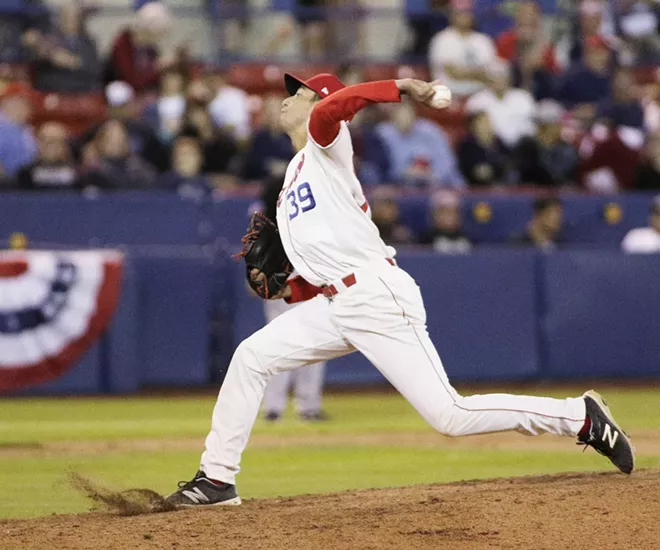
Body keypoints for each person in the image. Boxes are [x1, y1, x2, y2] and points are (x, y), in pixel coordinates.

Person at [165, 72, 634, 507]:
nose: (288, 97)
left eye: (301, 92)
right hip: (337, 300)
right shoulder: (292, 177)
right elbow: (328, 260)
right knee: (252, 357)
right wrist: (292, 292)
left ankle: (580, 416)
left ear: (319, 104)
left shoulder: (326, 143)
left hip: (376, 296)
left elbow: (333, 111)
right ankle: (217, 478)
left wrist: (404, 85)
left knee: (449, 415)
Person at [376, 102, 465, 188]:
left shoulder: (430, 130)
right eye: (399, 113)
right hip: (398, 186)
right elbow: (382, 167)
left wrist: (431, 175)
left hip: (436, 184)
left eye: (407, 112)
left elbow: (447, 162)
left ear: (414, 113)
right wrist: (404, 173)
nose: (404, 117)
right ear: (392, 115)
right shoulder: (383, 133)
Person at [105, 2, 186, 92]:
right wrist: (158, 66)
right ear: (149, 30)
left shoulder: (149, 49)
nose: (158, 40)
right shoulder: (123, 44)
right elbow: (132, 81)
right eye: (158, 35)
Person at [22, 1, 101, 93]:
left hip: (81, 91)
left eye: (74, 16)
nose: (70, 20)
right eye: (66, 16)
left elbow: (94, 68)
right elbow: (36, 55)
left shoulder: (88, 42)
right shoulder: (48, 38)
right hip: (54, 91)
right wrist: (51, 55)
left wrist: (73, 62)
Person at [428, 0, 496, 98]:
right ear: (452, 15)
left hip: (480, 95)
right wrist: (477, 74)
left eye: (467, 13)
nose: (464, 16)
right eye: (460, 13)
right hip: (449, 95)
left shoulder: (483, 40)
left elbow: (489, 73)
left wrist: (465, 72)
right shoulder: (442, 39)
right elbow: (453, 73)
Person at [465, 59, 536, 148]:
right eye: (495, 76)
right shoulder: (476, 101)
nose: (499, 80)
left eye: (502, 76)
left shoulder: (523, 97)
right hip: (493, 148)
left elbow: (534, 124)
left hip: (524, 147)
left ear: (509, 78)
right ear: (488, 79)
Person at [495, 0, 557, 99]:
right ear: (517, 16)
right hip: (510, 90)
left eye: (531, 13)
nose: (527, 17)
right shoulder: (506, 39)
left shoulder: (546, 43)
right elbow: (498, 67)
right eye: (523, 13)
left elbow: (554, 72)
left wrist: (540, 64)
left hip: (540, 93)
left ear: (537, 16)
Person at [515, 100, 579, 188]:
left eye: (544, 127)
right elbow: (517, 175)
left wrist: (544, 148)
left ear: (557, 127)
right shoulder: (527, 146)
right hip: (525, 196)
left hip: (556, 195)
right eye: (538, 126)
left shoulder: (566, 150)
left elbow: (556, 178)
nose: (539, 131)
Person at [80, 119, 157, 190]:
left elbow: (151, 181)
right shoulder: (93, 171)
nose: (116, 143)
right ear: (100, 141)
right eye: (111, 139)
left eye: (120, 138)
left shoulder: (139, 167)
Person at [16, 122, 79, 190]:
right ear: (38, 144)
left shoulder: (78, 176)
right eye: (47, 141)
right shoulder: (24, 175)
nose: (51, 147)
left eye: (57, 141)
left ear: (65, 146)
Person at [458, 110, 511, 187]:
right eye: (482, 122)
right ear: (473, 126)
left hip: (499, 184)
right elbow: (465, 166)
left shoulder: (499, 142)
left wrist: (492, 170)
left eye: (487, 122)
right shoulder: (467, 144)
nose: (486, 125)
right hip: (473, 186)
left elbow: (507, 161)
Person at [0, 83, 37, 179]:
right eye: (20, 102)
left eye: (28, 104)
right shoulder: (3, 127)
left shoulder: (27, 130)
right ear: (5, 102)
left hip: (23, 184)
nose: (25, 108)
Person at [160, 136, 212, 201]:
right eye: (181, 154)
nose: (185, 158)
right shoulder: (163, 183)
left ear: (201, 158)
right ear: (173, 158)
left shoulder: (208, 184)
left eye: (189, 153)